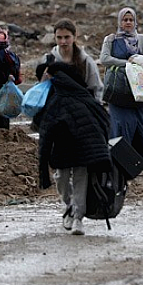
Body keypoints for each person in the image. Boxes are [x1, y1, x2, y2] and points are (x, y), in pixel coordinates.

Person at [37, 62, 112, 236]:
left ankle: (78, 217)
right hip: (62, 148)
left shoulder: (77, 96)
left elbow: (102, 122)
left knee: (80, 180)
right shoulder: (54, 98)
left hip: (82, 148)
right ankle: (70, 207)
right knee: (62, 178)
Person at [100, 7, 143, 168]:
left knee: (141, 124)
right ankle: (121, 161)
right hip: (118, 90)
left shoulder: (142, 39)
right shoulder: (111, 39)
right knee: (120, 124)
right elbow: (104, 59)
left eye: (130, 20)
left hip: (138, 90)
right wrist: (126, 63)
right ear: (119, 21)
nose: (128, 23)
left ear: (135, 22)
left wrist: (138, 59)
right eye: (124, 20)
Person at [40, 19, 103, 102]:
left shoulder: (85, 61)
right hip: (54, 109)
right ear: (54, 37)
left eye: (67, 37)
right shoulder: (48, 60)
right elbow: (41, 89)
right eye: (59, 37)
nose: (63, 41)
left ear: (74, 37)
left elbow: (96, 88)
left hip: (81, 108)